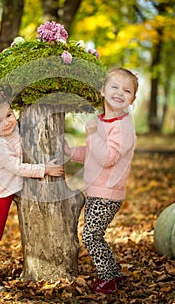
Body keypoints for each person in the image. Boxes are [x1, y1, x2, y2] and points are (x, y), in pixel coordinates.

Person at [0, 90, 64, 292]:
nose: (7, 123)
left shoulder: (8, 130)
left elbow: (18, 137)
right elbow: (17, 167)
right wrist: (45, 169)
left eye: (9, 115)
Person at [65, 67, 139, 294]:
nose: (119, 93)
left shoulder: (123, 127)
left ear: (132, 99)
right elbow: (92, 153)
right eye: (114, 87)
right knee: (93, 234)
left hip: (107, 192)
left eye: (126, 90)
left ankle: (108, 277)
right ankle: (114, 275)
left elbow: (107, 157)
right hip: (97, 190)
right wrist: (69, 152)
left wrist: (92, 132)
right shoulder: (101, 121)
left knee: (91, 235)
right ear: (102, 90)